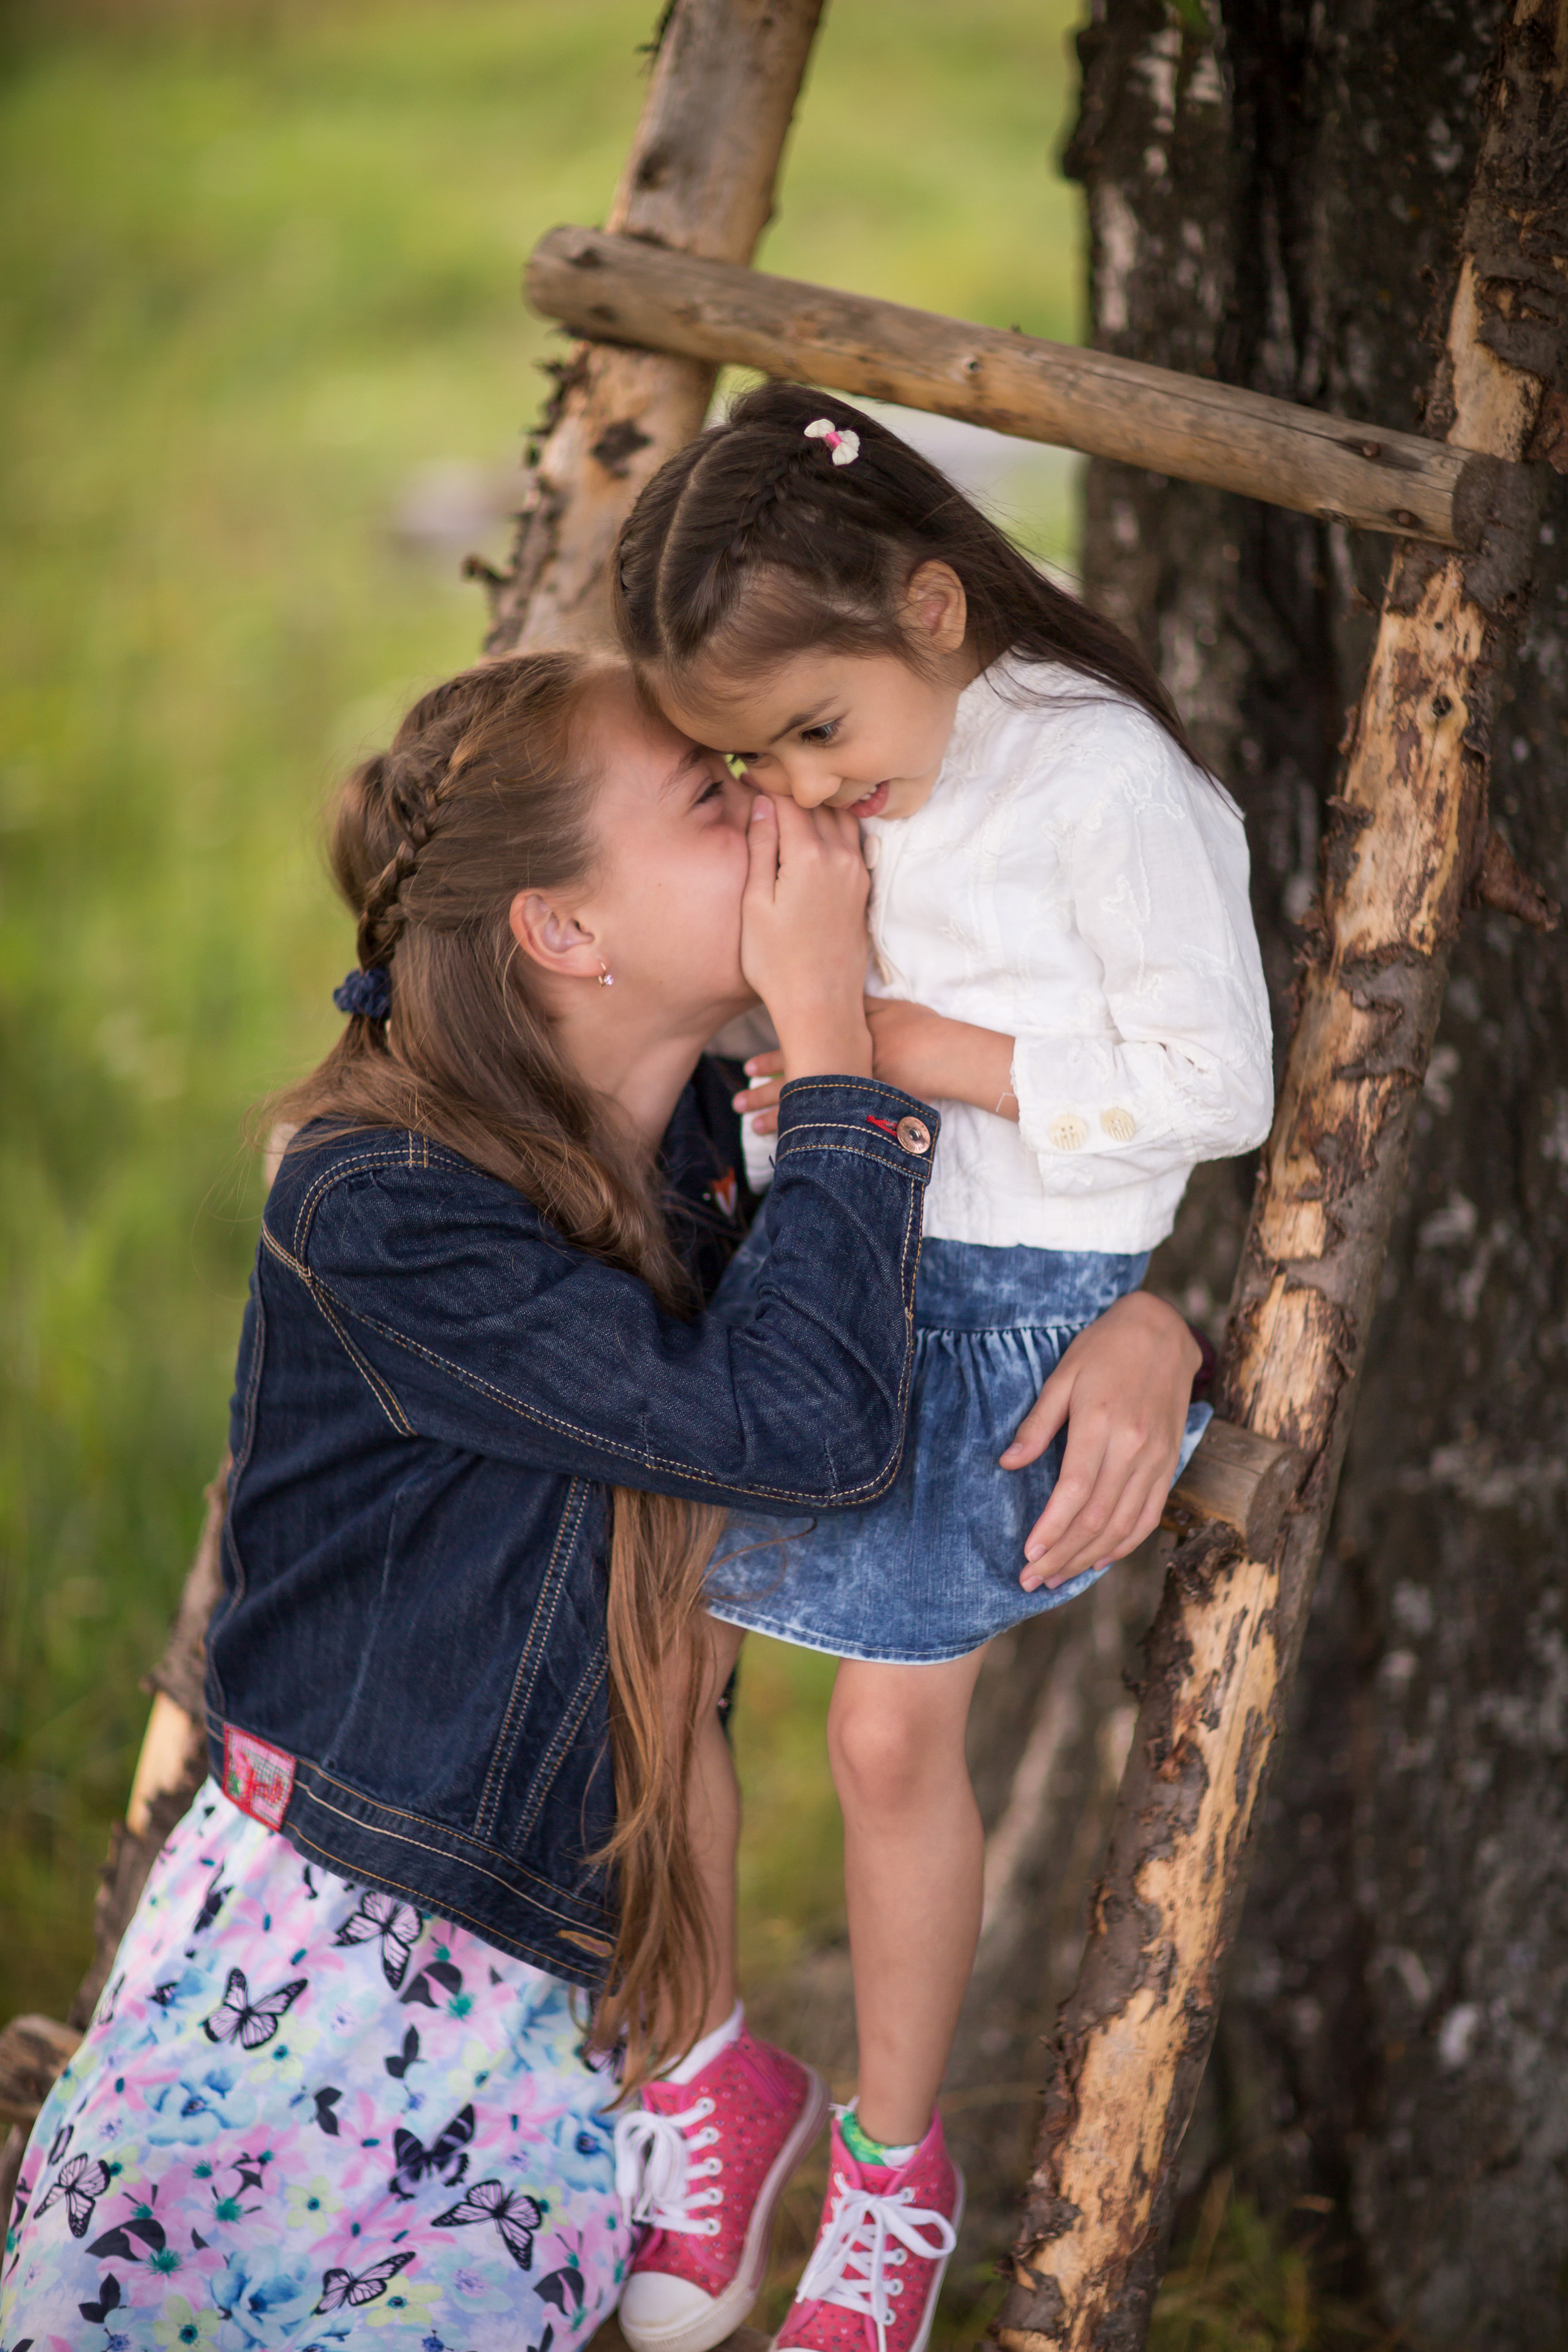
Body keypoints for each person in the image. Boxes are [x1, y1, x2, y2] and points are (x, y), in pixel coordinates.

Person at [0, 649, 1204, 2352]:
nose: (787, 809)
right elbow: (806, 1428)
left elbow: (982, 1256)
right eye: (718, 799)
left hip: (562, 2008)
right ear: (566, 934)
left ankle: (721, 2094)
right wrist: (841, 1040)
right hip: (323, 1966)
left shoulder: (730, 1139)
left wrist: (1156, 1322)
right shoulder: (383, 1207)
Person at [609, 384, 1273, 2352]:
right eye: (752, 757)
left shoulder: (1103, 783)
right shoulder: (857, 771)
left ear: (931, 605)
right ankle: (706, 2072)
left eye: (817, 732)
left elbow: (1213, 1084)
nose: (800, 786)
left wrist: (891, 1041)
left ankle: (894, 2184)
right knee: (651, 1656)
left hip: (996, 1302)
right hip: (806, 1249)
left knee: (890, 1740)